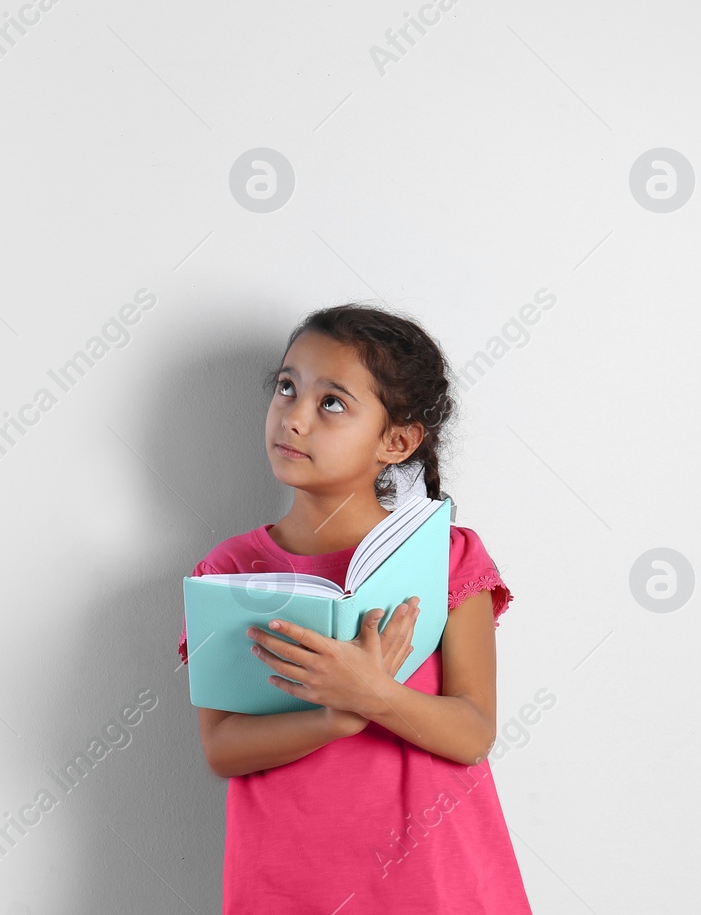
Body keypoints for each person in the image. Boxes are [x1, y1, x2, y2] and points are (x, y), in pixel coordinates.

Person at [176, 304, 532, 913]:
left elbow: (473, 732)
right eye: (287, 388)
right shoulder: (230, 573)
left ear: (396, 442)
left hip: (437, 884)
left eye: (331, 402)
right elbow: (223, 748)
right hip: (291, 884)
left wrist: (373, 695)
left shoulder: (447, 558)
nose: (295, 418)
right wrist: (335, 718)